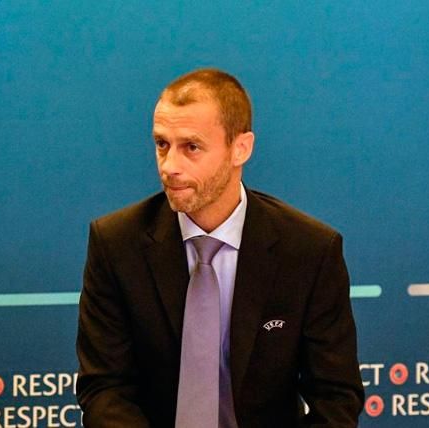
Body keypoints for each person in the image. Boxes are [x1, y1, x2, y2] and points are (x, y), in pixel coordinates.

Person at [76, 68, 364, 427]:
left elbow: (336, 398)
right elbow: (104, 388)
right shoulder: (116, 244)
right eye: (162, 144)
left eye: (191, 147)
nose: (170, 166)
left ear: (240, 148)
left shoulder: (309, 251)